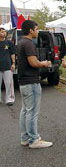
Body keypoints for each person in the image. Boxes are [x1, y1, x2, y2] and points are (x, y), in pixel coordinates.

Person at [17, 20, 53, 148]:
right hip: (31, 81)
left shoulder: (21, 42)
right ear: (31, 30)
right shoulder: (29, 44)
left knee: (25, 111)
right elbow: (33, 62)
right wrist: (44, 63)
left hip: (23, 82)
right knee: (32, 112)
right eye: (36, 29)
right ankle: (34, 140)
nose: (37, 31)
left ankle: (25, 138)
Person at [0, 27, 16, 106]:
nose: (4, 33)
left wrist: (13, 63)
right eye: (2, 32)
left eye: (4, 31)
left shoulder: (9, 43)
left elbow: (12, 53)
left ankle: (10, 99)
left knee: (9, 83)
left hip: (7, 66)